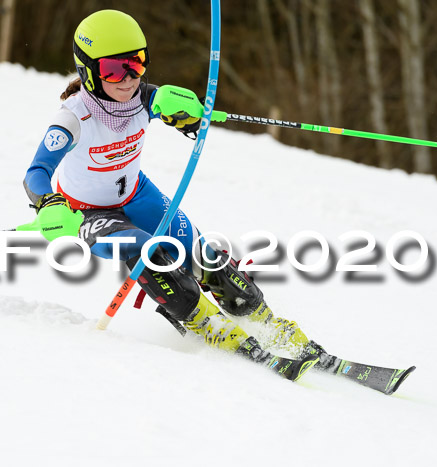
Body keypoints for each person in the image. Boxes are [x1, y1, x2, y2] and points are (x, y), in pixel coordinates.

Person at [23, 9, 324, 381]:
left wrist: (190, 114)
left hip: (136, 193)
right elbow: (36, 172)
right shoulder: (73, 118)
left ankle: (266, 323)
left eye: (137, 63)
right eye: (114, 69)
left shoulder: (142, 98)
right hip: (87, 211)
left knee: (200, 253)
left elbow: (168, 104)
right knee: (148, 251)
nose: (129, 77)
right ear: (87, 71)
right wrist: (46, 202)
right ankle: (211, 326)